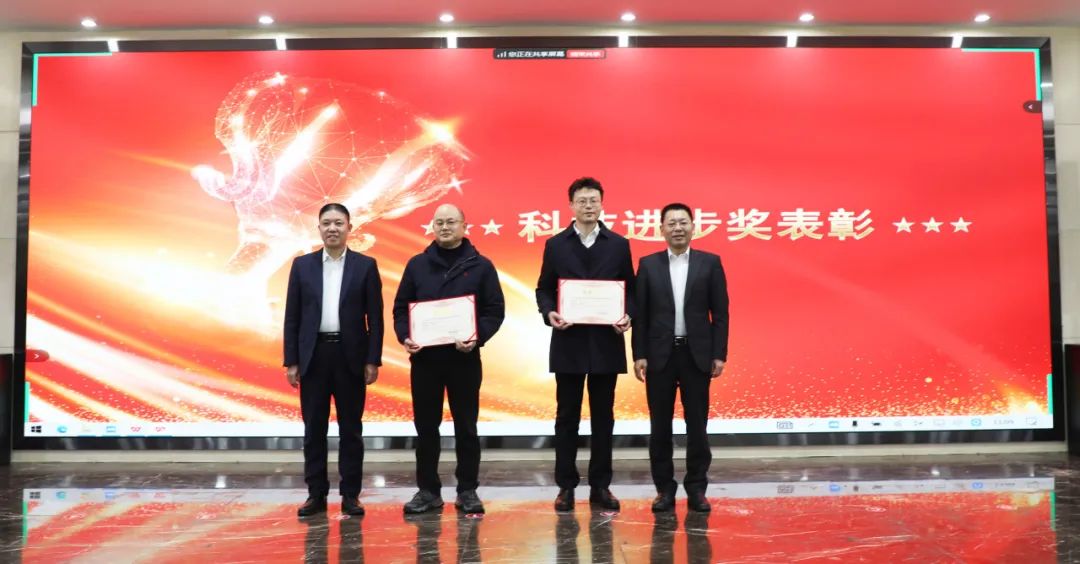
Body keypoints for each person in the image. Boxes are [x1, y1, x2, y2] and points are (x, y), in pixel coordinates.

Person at [393, 203, 506, 515]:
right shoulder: (417, 264)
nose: (445, 227)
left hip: (464, 359)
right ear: (432, 227)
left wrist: (477, 336)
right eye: (439, 222)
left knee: (466, 427)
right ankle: (428, 491)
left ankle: (467, 490)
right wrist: (406, 336)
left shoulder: (481, 266)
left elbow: (494, 310)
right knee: (426, 428)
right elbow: (401, 308)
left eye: (451, 222)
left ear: (464, 226)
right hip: (425, 360)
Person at [535, 176, 634, 512]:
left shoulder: (618, 244)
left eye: (594, 200)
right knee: (567, 417)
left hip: (606, 342)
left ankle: (601, 486)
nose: (588, 206)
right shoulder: (556, 245)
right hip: (569, 341)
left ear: (602, 204)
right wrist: (549, 311)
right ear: (571, 206)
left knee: (604, 417)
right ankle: (566, 487)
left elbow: (630, 289)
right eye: (582, 201)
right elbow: (544, 288)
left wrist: (628, 314)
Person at [284, 202, 384, 517]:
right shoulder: (302, 266)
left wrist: (373, 359)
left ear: (349, 228)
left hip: (350, 356)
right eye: (326, 223)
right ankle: (315, 495)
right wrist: (291, 360)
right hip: (313, 356)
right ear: (319, 228)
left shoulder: (365, 266)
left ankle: (350, 495)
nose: (332, 228)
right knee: (313, 429)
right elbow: (292, 317)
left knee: (351, 430)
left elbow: (376, 319)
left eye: (339, 223)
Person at [632, 202, 729, 513]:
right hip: (659, 356)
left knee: (697, 425)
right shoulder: (648, 265)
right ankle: (664, 490)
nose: (677, 228)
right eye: (671, 223)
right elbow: (640, 315)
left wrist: (719, 354)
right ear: (661, 229)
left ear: (693, 227)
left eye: (683, 222)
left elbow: (721, 314)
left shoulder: (710, 263)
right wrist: (639, 354)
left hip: (696, 355)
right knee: (659, 427)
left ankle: (697, 489)